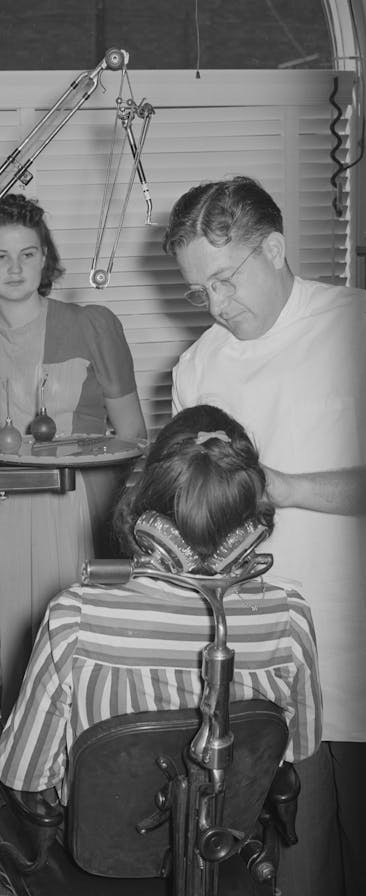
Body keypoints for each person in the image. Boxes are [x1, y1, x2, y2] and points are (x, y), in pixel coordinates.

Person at [164, 175, 366, 896]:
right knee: (295, 869)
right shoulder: (197, 368)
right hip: (268, 670)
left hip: (357, 649)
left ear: (274, 248)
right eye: (199, 291)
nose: (216, 306)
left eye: (225, 279)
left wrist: (288, 489)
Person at [0, 405, 322, 817]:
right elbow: (298, 748)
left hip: (99, 862)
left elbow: (24, 774)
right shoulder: (290, 618)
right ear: (249, 523)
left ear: (148, 508)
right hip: (227, 851)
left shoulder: (74, 617)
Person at [0, 193, 146, 716]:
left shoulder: (92, 325)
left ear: (45, 258)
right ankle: (26, 790)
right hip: (8, 524)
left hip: (85, 514)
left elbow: (132, 435)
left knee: (88, 672)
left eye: (28, 254)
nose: (14, 268)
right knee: (22, 669)